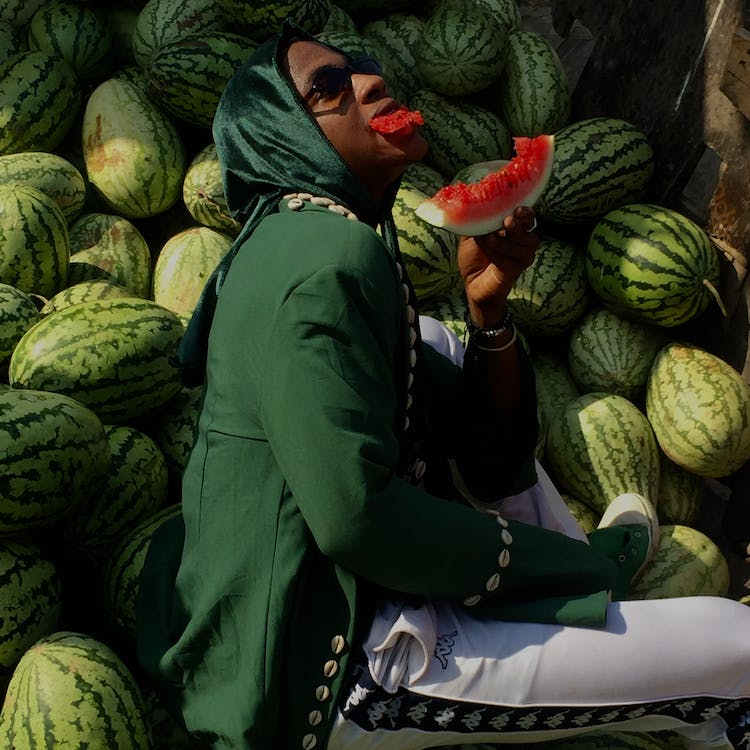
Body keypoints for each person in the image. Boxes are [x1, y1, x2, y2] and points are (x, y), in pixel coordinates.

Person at [136, 20, 750, 750]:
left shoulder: (313, 240)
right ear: (283, 140)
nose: (370, 82)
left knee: (434, 343)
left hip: (347, 599)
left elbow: (487, 455)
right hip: (328, 670)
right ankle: (604, 600)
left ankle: (613, 623)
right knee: (738, 644)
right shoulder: (325, 259)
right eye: (329, 91)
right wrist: (561, 567)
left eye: (362, 67)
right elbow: (354, 519)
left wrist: (489, 315)